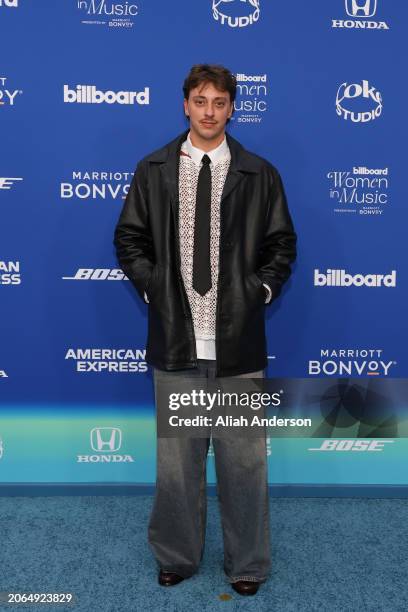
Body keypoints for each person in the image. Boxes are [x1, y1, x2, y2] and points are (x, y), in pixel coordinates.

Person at [113, 64, 297, 596]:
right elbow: (129, 238)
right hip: (178, 341)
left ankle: (247, 562)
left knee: (243, 462)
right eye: (200, 101)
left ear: (232, 108)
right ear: (185, 106)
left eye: (220, 102)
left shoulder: (259, 173)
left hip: (238, 343)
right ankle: (176, 555)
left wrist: (258, 291)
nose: (209, 111)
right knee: (178, 465)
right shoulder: (153, 169)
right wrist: (155, 289)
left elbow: (282, 245)